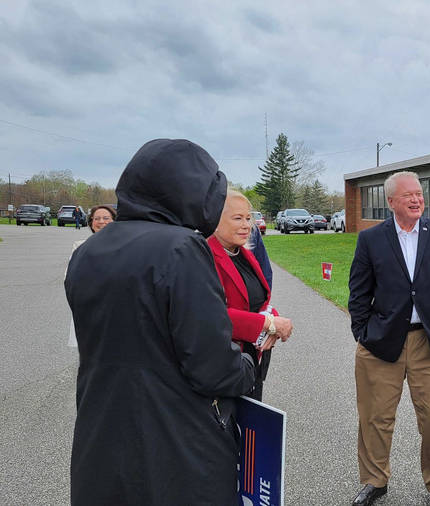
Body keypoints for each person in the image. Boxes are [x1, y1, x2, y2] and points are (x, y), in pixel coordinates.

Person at [65, 139, 257, 505]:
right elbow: (211, 366)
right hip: (174, 442)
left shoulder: (89, 251)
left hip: (100, 432)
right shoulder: (181, 247)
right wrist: (246, 364)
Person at [348, 171, 430, 506]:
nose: (416, 200)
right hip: (381, 343)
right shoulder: (371, 239)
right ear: (390, 202)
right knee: (375, 416)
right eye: (407, 195)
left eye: (419, 193)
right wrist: (364, 332)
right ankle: (375, 481)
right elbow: (359, 292)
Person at [208, 189, 292, 401]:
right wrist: (269, 324)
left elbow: (258, 301)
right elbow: (212, 317)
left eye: (248, 218)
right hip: (222, 367)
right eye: (238, 218)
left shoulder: (243, 253)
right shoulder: (204, 257)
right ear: (215, 220)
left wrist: (271, 321)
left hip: (251, 360)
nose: (247, 225)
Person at [66, 205, 118, 347]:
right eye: (97, 218)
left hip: (117, 305)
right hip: (90, 304)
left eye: (106, 218)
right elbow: (70, 277)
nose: (101, 221)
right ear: (91, 223)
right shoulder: (80, 246)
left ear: (115, 221)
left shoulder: (124, 246)